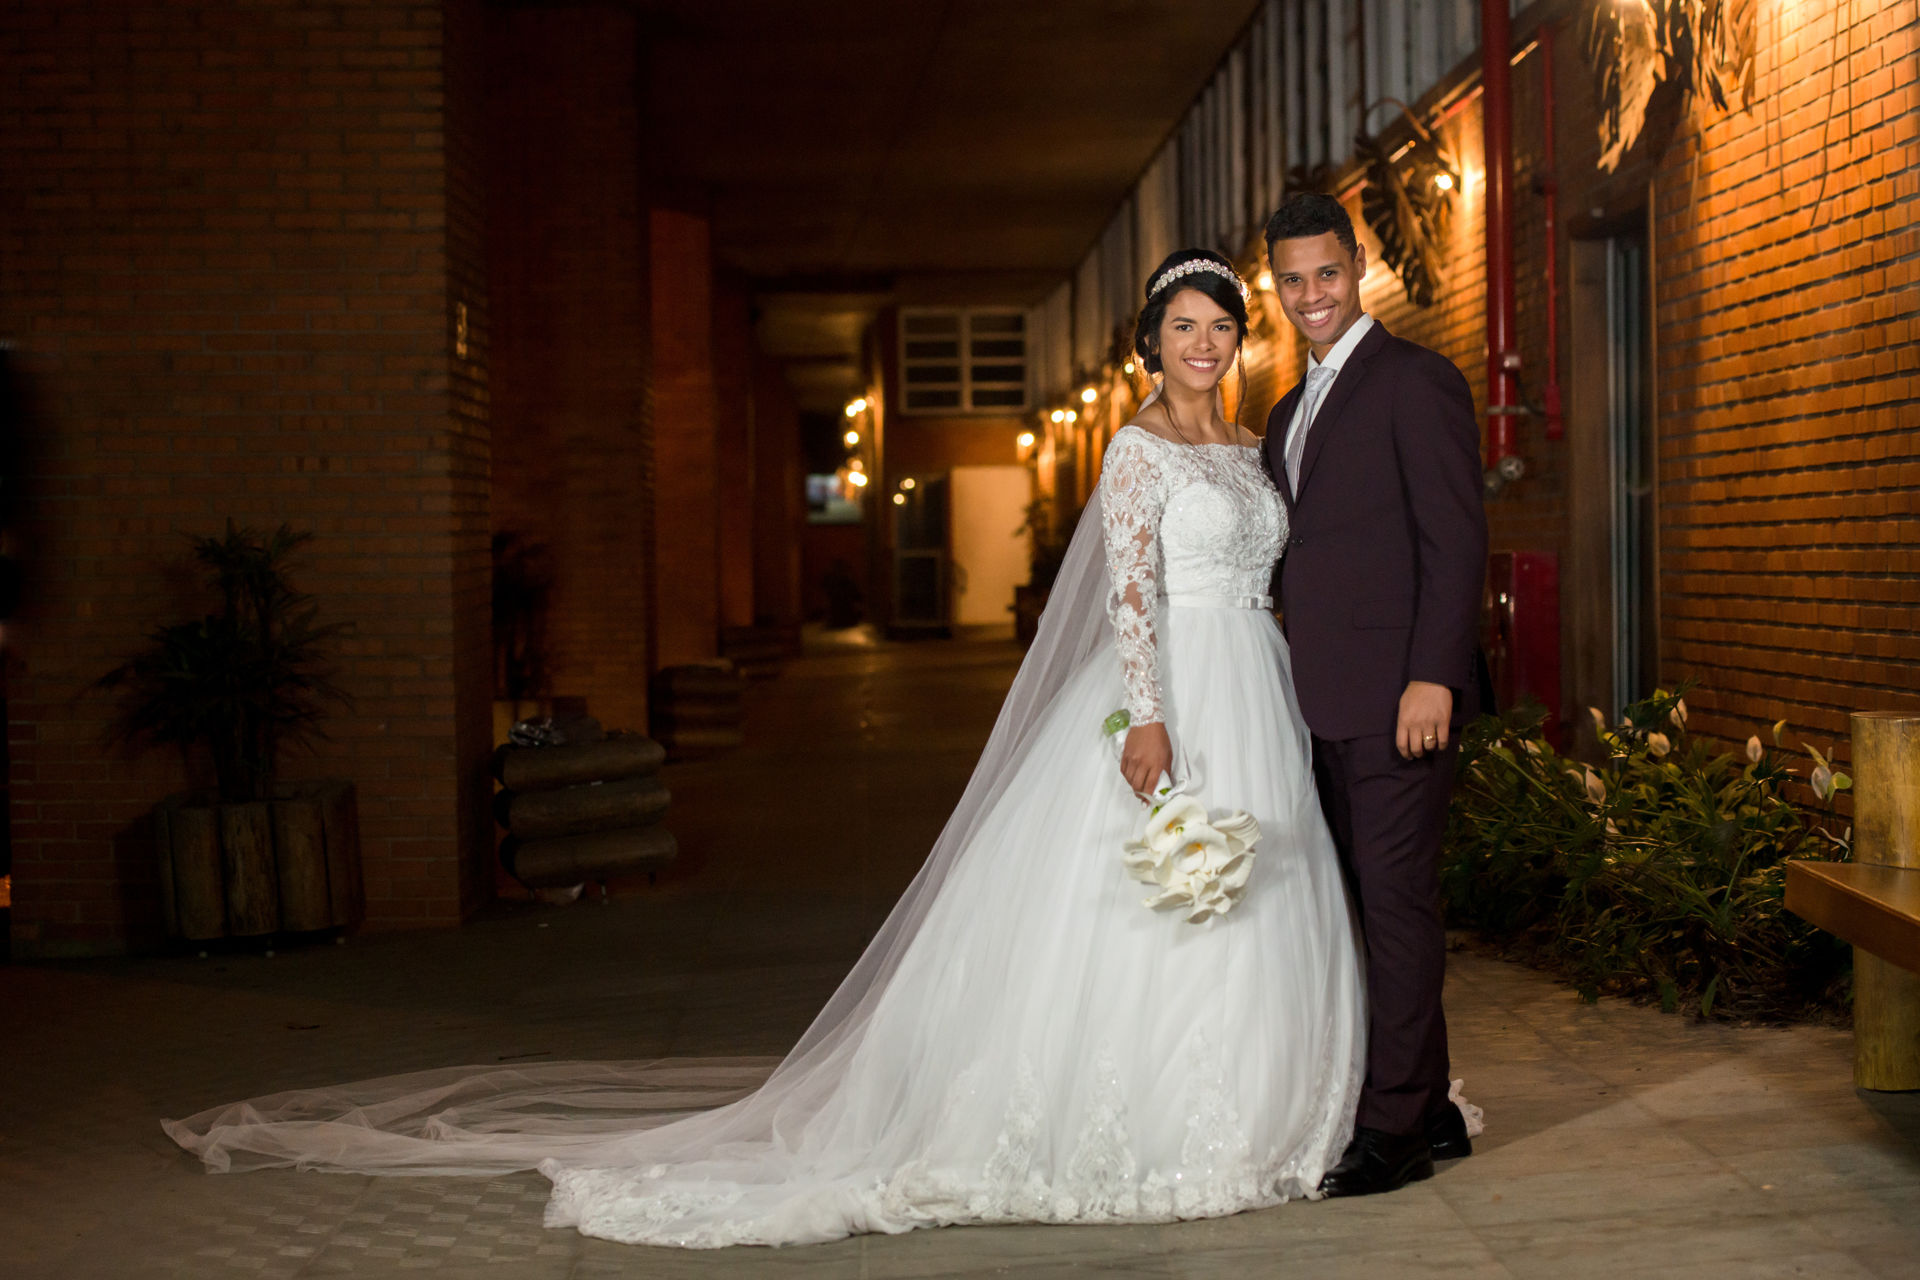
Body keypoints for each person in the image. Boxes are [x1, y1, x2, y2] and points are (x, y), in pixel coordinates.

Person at [163, 250, 1387, 1248]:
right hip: (1171, 685)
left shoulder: (1253, 447)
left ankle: (1266, 1105)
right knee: (1154, 899)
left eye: (1219, 326)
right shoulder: (1134, 449)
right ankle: (1154, 1121)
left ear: (1242, 339)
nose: (1203, 343)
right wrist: (1148, 716)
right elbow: (1127, 589)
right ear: (1149, 343)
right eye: (1182, 326)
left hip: (1257, 681)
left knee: (1261, 892)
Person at [1260, 193, 1489, 1197]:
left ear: (1359, 265)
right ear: (1276, 287)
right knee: (1367, 903)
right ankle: (1429, 1101)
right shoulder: (1285, 411)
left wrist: (1433, 673)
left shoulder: (1416, 380)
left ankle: (1392, 1127)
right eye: (1292, 279)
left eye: (1327, 271)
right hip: (1320, 703)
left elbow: (1455, 538)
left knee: (1395, 905)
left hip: (1402, 697)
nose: (1312, 293)